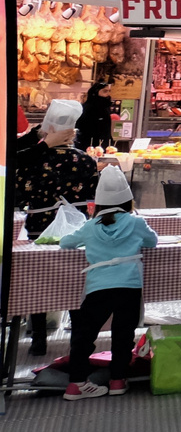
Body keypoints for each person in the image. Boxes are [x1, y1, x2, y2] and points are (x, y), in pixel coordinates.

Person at [56, 165, 156, 399]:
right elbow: (153, 241)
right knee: (123, 335)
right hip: (129, 287)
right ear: (128, 201)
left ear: (98, 204)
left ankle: (76, 383)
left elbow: (65, 243)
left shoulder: (90, 227)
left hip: (97, 287)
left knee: (85, 335)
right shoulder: (136, 223)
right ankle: (118, 381)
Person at [18, 99, 101, 354]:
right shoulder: (87, 161)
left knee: (37, 280)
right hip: (75, 229)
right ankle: (79, 339)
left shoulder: (32, 160)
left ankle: (39, 339)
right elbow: (93, 197)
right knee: (76, 279)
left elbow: (19, 195)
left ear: (46, 131)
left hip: (37, 227)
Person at [77, 81, 115, 148]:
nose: (108, 94)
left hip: (104, 145)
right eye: (105, 91)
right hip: (88, 146)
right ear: (95, 92)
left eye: (109, 91)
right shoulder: (86, 108)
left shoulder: (105, 107)